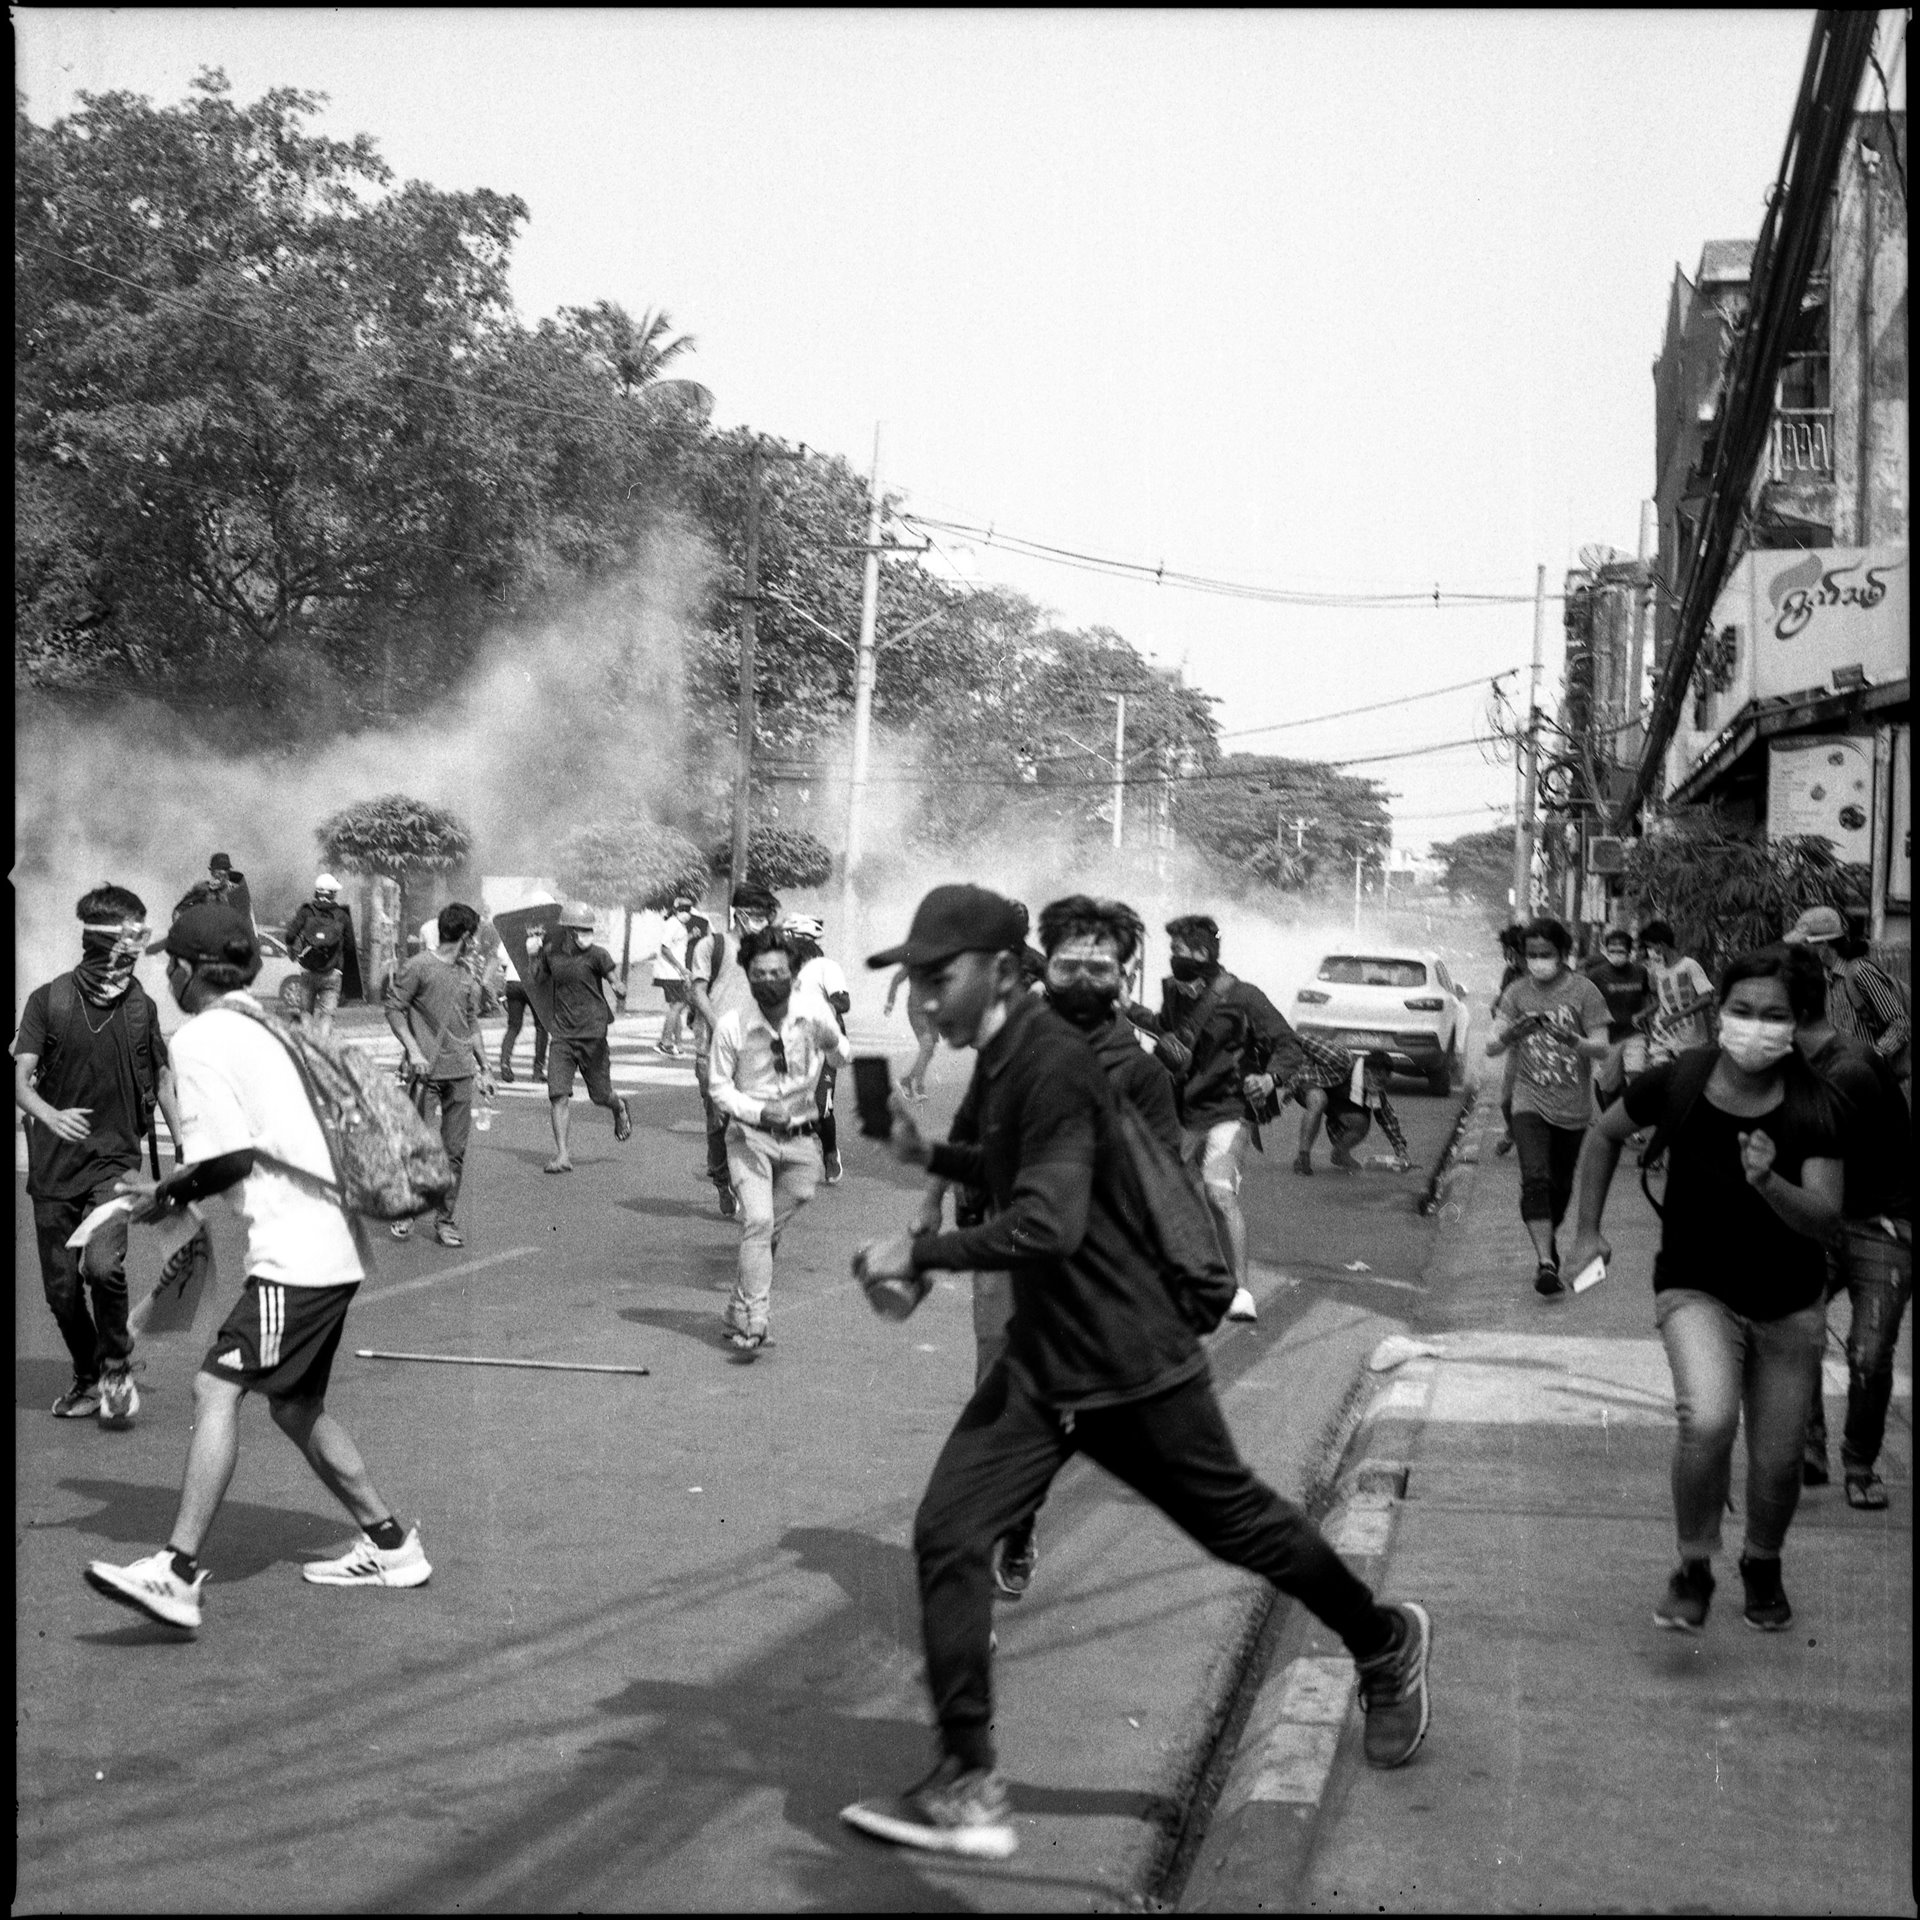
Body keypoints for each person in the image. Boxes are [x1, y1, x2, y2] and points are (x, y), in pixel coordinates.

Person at [839, 885, 1432, 1860]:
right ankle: (968, 1782)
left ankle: (1384, 1642)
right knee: (949, 1533)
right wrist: (933, 1152)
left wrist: (922, 1256)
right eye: (913, 978)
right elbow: (1044, 1176)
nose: (922, 995)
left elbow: (1050, 1221)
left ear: (998, 969)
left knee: (1238, 1524)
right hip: (1049, 1356)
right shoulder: (1019, 1053)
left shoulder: (1058, 1059)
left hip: (1127, 1358)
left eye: (936, 975)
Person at [82, 904, 432, 1633]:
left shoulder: (206, 1037)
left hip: (295, 1255)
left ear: (184, 968)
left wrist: (165, 1193)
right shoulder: (265, 1021)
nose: (165, 973)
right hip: (328, 1248)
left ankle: (176, 1571)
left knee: (216, 1385)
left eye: (167, 963)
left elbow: (229, 1155)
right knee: (294, 1406)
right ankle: (393, 1547)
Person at [1564, 946, 1843, 1634]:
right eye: (1741, 1009)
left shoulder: (1816, 1106)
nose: (1754, 1026)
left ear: (1798, 1023)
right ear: (1720, 1011)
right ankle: (1693, 1567)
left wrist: (1768, 1183)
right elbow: (1603, 1136)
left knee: (1777, 1463)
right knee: (1708, 1420)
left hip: (1789, 1303)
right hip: (1696, 1288)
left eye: (1772, 1014)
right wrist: (1588, 1231)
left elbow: (1826, 1217)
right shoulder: (1679, 1080)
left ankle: (1762, 1561)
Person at [13, 885, 183, 1425]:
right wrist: (48, 1114)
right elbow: (20, 1079)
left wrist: (185, 1142)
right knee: (62, 1292)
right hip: (53, 1167)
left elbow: (162, 1077)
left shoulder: (141, 1008)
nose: (136, 952)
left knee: (104, 1268)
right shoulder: (49, 1000)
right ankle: (88, 1376)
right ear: (101, 942)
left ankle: (114, 1367)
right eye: (131, 937)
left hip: (116, 1164)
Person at [1126, 913, 1305, 1325]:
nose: (1174, 959)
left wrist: (1269, 1077)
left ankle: (1240, 1291)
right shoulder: (1173, 991)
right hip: (1185, 1110)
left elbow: (1287, 1043)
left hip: (1230, 1111)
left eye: (1181, 952)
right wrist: (1128, 1010)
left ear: (1203, 954)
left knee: (1219, 1194)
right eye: (1172, 952)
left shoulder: (1244, 996)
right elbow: (1168, 1031)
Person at [1783, 945, 1913, 1509]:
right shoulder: (1786, 1065)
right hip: (1822, 1216)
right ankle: (1807, 1447)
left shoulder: (1850, 1069)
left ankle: (1859, 1462)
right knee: (1793, 1325)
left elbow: (1800, 1148)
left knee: (1868, 1351)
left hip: (1879, 1221)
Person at [704, 925, 849, 1352]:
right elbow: (718, 1087)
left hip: (803, 1139)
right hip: (750, 1137)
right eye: (761, 974)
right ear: (748, 976)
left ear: (792, 973)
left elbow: (843, 1056)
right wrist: (755, 1110)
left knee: (782, 1215)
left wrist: (833, 1041)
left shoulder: (812, 1012)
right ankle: (756, 1318)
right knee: (759, 1222)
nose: (771, 981)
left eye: (778, 972)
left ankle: (737, 1304)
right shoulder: (733, 1024)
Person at [1485, 916, 1612, 1295]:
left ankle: (1548, 1245)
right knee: (1535, 1179)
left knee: (1559, 1188)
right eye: (1531, 954)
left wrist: (1572, 1039)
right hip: (1529, 1101)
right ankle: (1544, 1261)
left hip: (1573, 1109)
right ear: (1523, 957)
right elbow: (1491, 1046)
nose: (1538, 961)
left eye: (1546, 954)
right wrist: (1511, 1034)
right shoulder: (1517, 993)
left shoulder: (1585, 991)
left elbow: (1602, 1046)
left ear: (1562, 954)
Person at [385, 902, 496, 1249]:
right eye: (473, 935)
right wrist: (414, 1051)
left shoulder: (466, 975)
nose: (475, 942)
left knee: (454, 1152)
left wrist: (485, 1067)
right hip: (426, 1072)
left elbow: (471, 1023)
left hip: (461, 1074)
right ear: (465, 935)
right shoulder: (418, 967)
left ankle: (444, 1221)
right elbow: (393, 1008)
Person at [688, 884, 780, 1216]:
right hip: (713, 1051)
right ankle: (721, 1179)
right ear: (739, 916)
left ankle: (752, 1187)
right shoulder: (712, 946)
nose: (761, 923)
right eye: (756, 916)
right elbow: (697, 993)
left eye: (764, 917)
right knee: (717, 1124)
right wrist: (720, 1027)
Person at [530, 902, 630, 1174]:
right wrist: (533, 954)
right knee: (558, 1095)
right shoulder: (551, 953)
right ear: (568, 931)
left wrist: (619, 987)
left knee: (600, 1095)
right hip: (562, 1034)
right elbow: (537, 979)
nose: (587, 933)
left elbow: (614, 980)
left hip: (593, 1033)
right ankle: (562, 1154)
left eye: (589, 929)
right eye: (581, 929)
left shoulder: (598, 955)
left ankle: (618, 1105)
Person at [1785, 905, 1911, 1096]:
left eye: (1804, 945)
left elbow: (1900, 1023)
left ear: (1823, 946)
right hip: (1841, 1083)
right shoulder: (1825, 978)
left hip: (1869, 1083)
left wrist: (1872, 1056)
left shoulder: (1860, 972)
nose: (1801, 952)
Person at [785, 913, 851, 1183]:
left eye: (790, 938)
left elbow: (844, 1002)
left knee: (823, 1105)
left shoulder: (826, 967)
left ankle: (830, 1152)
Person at [1290, 1041, 1411, 1175]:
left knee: (1360, 1122)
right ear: (1366, 1072)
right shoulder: (1340, 1059)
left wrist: (1401, 1151)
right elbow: (1302, 1040)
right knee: (1319, 1100)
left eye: (1384, 1082)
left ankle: (1340, 1154)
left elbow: (1388, 1120)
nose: (1380, 1086)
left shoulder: (1375, 1091)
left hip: (1334, 1100)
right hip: (1310, 1085)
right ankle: (1303, 1157)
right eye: (1378, 1080)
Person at [282, 874, 361, 1042]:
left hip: (308, 971)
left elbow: (289, 936)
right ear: (333, 894)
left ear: (317, 892)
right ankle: (322, 1048)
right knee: (327, 1015)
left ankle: (307, 1048)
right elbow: (349, 946)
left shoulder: (306, 912)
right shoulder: (342, 916)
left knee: (306, 1012)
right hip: (332, 973)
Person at [1582, 926, 1652, 1110]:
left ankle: (1628, 1121)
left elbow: (1649, 1000)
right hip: (1606, 1038)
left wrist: (1644, 1016)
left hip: (1633, 1034)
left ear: (1629, 952)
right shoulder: (1596, 975)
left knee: (1635, 1079)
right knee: (1608, 1089)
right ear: (1605, 950)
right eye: (1611, 950)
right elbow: (1584, 1003)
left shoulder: (1641, 972)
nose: (1616, 954)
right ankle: (1610, 1125)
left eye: (1620, 950)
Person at [1638, 919, 1715, 1066]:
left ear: (1660, 944)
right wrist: (1644, 1013)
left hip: (1691, 1038)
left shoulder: (1689, 966)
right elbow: (1664, 1001)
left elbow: (1706, 998)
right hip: (1665, 1035)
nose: (1650, 951)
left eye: (1650, 946)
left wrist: (1676, 1016)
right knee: (1660, 1070)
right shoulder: (1659, 970)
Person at [1492, 923, 1528, 1155]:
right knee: (1506, 1100)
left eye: (1510, 950)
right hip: (1517, 1044)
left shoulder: (1542, 973)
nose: (1507, 956)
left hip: (1546, 1046)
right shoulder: (1510, 974)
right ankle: (1512, 1131)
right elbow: (1502, 1001)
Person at [498, 926, 550, 1084]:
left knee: (514, 1026)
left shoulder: (512, 935)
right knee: (541, 1027)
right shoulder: (542, 937)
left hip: (513, 982)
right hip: (533, 985)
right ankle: (537, 1070)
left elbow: (501, 956)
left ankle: (505, 1063)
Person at [886, 961, 941, 1100]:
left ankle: (912, 1083)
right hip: (917, 1011)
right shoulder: (915, 961)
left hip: (933, 1011)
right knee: (927, 1045)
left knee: (930, 1050)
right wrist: (890, 1002)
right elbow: (896, 979)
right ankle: (914, 1086)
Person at [654, 892, 699, 1056]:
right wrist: (681, 968)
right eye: (683, 909)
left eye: (688, 909)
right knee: (678, 1006)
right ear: (676, 910)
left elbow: (677, 944)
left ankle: (678, 1045)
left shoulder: (678, 925)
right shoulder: (673, 923)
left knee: (677, 1007)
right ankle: (665, 1042)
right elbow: (665, 948)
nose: (686, 912)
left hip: (674, 973)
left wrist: (690, 936)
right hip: (670, 972)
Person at [173, 851, 253, 927]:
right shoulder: (203, 889)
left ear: (228, 871)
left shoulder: (235, 891)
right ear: (211, 871)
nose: (220, 872)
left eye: (224, 869)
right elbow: (178, 911)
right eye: (217, 868)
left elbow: (246, 917)